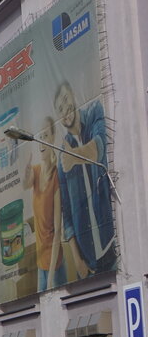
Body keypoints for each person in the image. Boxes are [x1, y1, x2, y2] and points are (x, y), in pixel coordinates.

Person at [54, 80, 115, 280]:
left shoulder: (94, 112)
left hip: (114, 245)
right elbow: (67, 213)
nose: (65, 109)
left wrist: (74, 157)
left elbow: (100, 147)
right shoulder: (62, 153)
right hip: (87, 265)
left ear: (73, 94)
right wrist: (78, 261)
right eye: (60, 108)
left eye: (65, 99)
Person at [24, 116, 66, 290]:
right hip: (41, 262)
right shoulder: (36, 170)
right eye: (39, 137)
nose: (42, 142)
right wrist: (26, 170)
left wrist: (50, 278)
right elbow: (26, 184)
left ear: (53, 138)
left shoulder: (56, 178)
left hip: (54, 265)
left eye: (46, 136)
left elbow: (57, 231)